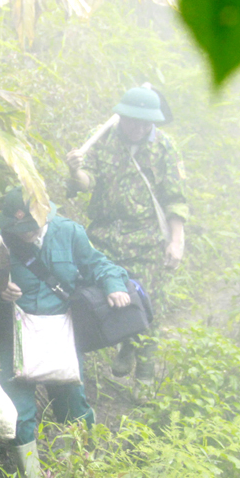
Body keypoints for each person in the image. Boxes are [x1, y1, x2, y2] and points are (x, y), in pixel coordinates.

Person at [0, 189, 131, 478]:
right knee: (19, 411)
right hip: (16, 334)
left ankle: (79, 475)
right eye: (20, 229)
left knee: (73, 404)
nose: (27, 233)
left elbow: (98, 264)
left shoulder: (69, 232)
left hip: (61, 333)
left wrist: (114, 285)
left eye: (32, 226)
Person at [65, 86, 189, 384]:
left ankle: (145, 375)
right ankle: (121, 345)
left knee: (148, 304)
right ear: (121, 116)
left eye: (147, 123)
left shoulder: (164, 147)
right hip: (105, 238)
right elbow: (86, 183)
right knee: (107, 297)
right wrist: (75, 171)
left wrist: (176, 240)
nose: (140, 128)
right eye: (134, 121)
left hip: (147, 240)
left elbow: (175, 197)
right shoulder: (103, 138)